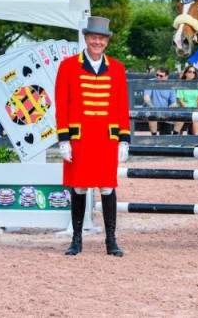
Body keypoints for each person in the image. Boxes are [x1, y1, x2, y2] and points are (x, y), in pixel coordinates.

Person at [55, 16, 130, 257]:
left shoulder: (117, 67)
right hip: (80, 138)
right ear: (86, 38)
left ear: (107, 41)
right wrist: (64, 138)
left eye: (102, 38)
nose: (97, 41)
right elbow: (61, 104)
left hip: (106, 139)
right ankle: (76, 239)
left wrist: (124, 139)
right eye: (93, 37)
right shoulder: (67, 66)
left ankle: (111, 240)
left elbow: (121, 105)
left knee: (107, 187)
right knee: (78, 187)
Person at [174, 65, 198, 136]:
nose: (192, 73)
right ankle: (196, 141)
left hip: (196, 107)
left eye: (194, 72)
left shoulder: (196, 85)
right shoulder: (181, 85)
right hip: (186, 108)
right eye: (190, 71)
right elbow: (181, 101)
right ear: (185, 73)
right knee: (196, 119)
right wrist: (189, 109)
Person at [143, 67, 178, 135]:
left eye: (161, 76)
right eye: (157, 75)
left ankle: (174, 138)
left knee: (180, 118)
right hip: (151, 109)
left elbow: (174, 103)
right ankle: (155, 138)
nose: (158, 77)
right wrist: (153, 108)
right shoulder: (150, 82)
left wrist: (167, 110)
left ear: (166, 77)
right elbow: (146, 97)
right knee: (152, 116)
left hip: (165, 111)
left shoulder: (170, 86)